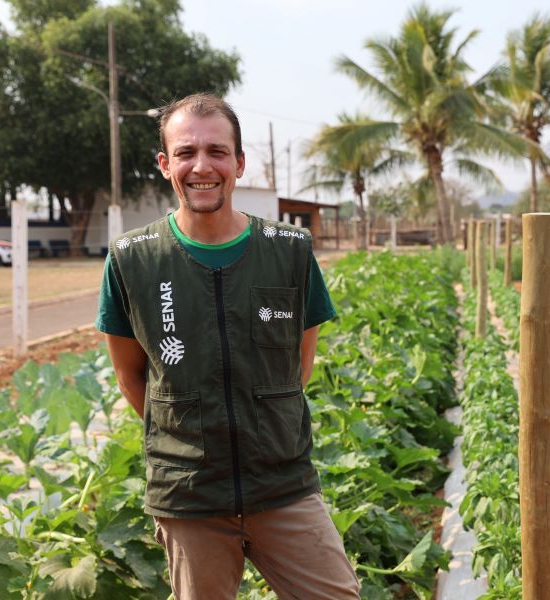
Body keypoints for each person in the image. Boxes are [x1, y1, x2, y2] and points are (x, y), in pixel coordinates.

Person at [95, 93, 360, 600]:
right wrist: (191, 438)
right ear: (164, 164)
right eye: (186, 152)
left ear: (239, 163)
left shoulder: (289, 252)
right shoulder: (133, 261)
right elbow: (132, 377)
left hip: (283, 486)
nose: (202, 166)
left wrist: (262, 427)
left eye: (217, 151)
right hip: (189, 496)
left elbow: (297, 366)